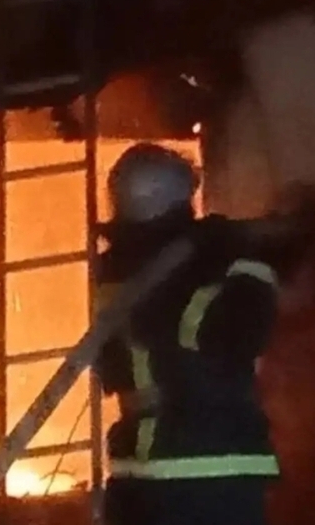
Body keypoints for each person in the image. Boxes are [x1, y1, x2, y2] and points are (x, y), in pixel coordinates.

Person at [94, 143, 281, 525]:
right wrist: (244, 251)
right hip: (213, 465)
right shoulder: (207, 264)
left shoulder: (112, 272)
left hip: (135, 471)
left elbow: (111, 367)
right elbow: (242, 331)